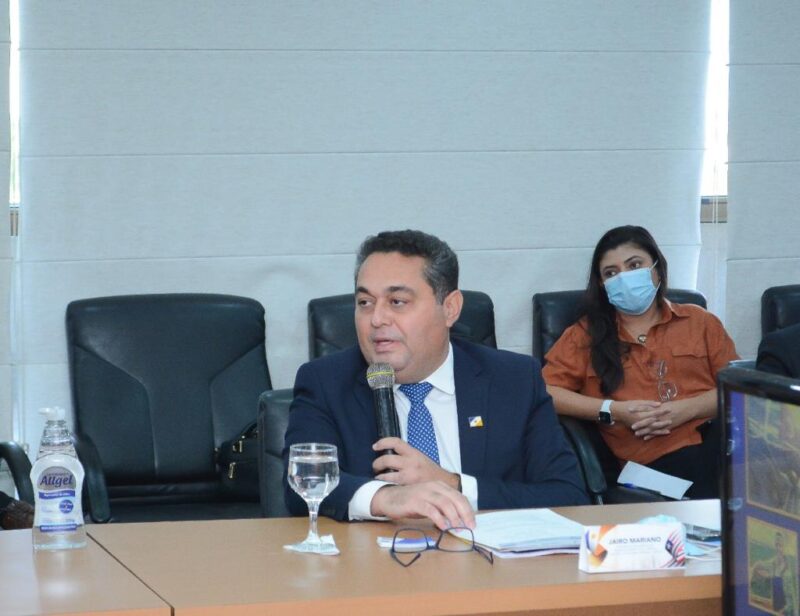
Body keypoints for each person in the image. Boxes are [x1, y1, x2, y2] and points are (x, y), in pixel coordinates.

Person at [283, 229, 588, 530]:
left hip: (488, 571)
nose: (376, 319)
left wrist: (453, 485)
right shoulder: (325, 382)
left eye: (397, 301)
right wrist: (388, 498)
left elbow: (568, 496)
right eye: (365, 302)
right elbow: (303, 485)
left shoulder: (514, 380)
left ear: (450, 308)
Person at [542, 225, 738, 499]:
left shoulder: (700, 321)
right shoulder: (584, 335)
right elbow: (546, 393)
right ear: (602, 284)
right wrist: (614, 410)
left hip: (718, 444)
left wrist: (686, 410)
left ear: (657, 268)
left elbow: (739, 390)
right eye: (611, 273)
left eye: (635, 265)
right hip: (649, 465)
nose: (624, 277)